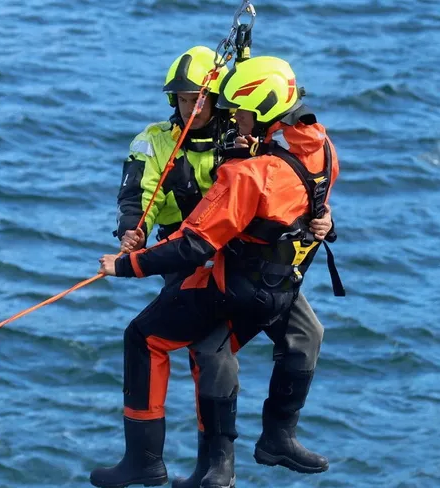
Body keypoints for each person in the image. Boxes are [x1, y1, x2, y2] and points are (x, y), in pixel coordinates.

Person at [92, 55, 343, 488]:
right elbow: (138, 193)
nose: (192, 108)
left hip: (232, 259)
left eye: (201, 99)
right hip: (193, 256)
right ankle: (205, 465)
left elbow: (289, 191)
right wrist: (132, 232)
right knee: (208, 351)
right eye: (184, 100)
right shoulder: (157, 141)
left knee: (229, 345)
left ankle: (224, 462)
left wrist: (325, 220)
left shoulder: (251, 146)